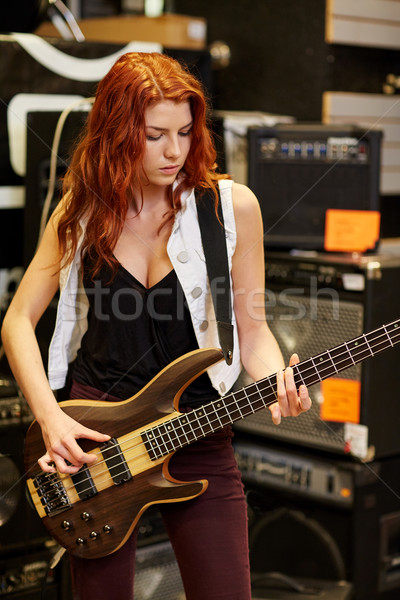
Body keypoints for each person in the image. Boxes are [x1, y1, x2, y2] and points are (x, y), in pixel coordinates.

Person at [1, 52, 311, 600]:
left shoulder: (229, 208)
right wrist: (50, 419)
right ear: (118, 132)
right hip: (94, 442)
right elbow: (18, 321)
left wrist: (277, 382)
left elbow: (253, 330)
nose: (175, 151)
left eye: (187, 132)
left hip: (198, 431)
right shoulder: (81, 208)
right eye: (155, 135)